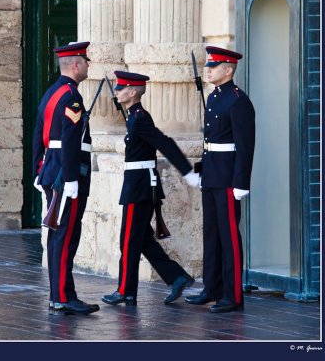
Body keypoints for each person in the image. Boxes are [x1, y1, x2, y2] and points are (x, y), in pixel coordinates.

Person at [101, 71, 200, 306]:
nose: (116, 91)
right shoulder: (134, 117)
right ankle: (177, 277)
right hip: (138, 184)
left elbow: (164, 142)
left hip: (140, 187)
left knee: (129, 239)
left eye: (121, 88)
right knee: (142, 239)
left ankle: (125, 290)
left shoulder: (140, 118)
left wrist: (188, 172)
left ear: (133, 92)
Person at [185, 46, 255, 313]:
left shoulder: (238, 101)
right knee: (211, 233)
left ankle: (233, 294)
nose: (209, 70)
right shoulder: (214, 97)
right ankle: (211, 288)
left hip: (227, 177)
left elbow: (245, 146)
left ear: (228, 70)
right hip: (212, 173)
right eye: (208, 66)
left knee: (228, 236)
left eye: (214, 66)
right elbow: (209, 142)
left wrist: (241, 183)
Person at [32, 41, 99, 315]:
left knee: (58, 234)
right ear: (75, 65)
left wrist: (37, 169)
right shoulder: (72, 96)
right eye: (85, 61)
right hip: (65, 174)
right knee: (65, 235)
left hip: (51, 169)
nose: (87, 65)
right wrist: (71, 179)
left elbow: (38, 134)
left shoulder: (51, 92)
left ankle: (61, 294)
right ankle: (61, 297)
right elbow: (70, 140)